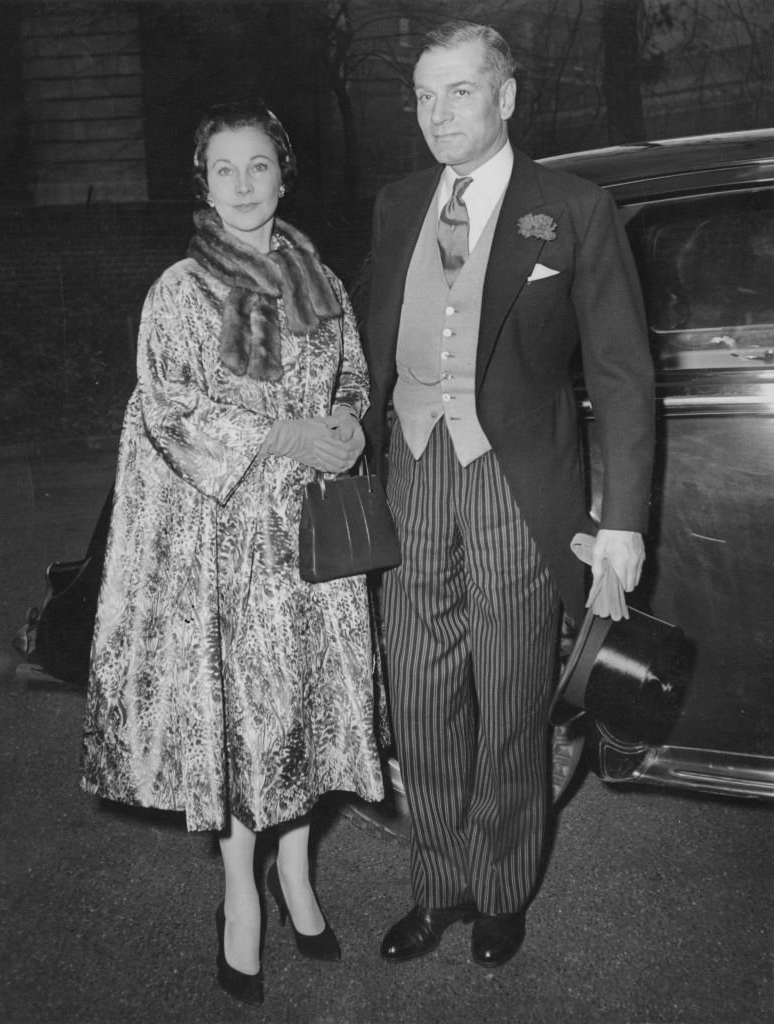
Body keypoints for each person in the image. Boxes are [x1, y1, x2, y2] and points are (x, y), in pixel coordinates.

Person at [361, 22, 655, 969]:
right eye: (422, 95)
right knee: (419, 694)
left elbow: (621, 374)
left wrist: (621, 523)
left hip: (512, 485)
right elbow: (364, 348)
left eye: (459, 92)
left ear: (507, 97)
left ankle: (501, 889)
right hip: (409, 472)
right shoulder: (397, 202)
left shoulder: (571, 207)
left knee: (513, 698)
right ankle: (437, 886)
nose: (437, 114)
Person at [80, 100, 384, 1005]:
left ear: (283, 177)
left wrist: (348, 424)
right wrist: (284, 435)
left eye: (260, 167)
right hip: (230, 548)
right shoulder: (179, 291)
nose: (245, 185)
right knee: (251, 722)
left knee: (313, 715)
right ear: (205, 185)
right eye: (226, 170)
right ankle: (239, 897)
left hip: (314, 542)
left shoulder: (318, 279)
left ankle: (298, 876)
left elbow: (356, 377)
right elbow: (166, 410)